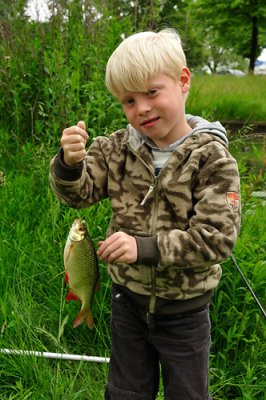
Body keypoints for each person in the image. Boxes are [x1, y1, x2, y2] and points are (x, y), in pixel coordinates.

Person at [50, 28, 241, 400]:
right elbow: (79, 194)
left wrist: (144, 248)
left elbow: (217, 240)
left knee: (187, 394)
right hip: (127, 303)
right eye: (128, 100)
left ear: (183, 81)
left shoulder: (214, 160)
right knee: (124, 392)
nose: (142, 109)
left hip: (186, 313)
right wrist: (70, 164)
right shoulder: (115, 149)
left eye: (152, 92)